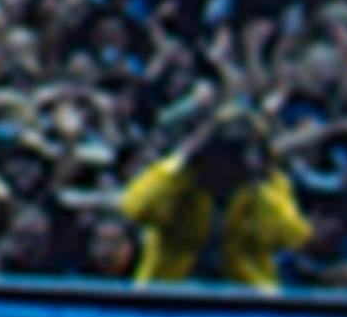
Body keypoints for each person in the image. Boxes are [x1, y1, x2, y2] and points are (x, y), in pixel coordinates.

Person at [117, 105, 315, 291]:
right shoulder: (180, 180)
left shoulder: (266, 186)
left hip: (245, 301)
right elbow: (134, 207)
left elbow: (292, 236)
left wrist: (260, 181)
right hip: (170, 295)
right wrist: (182, 161)